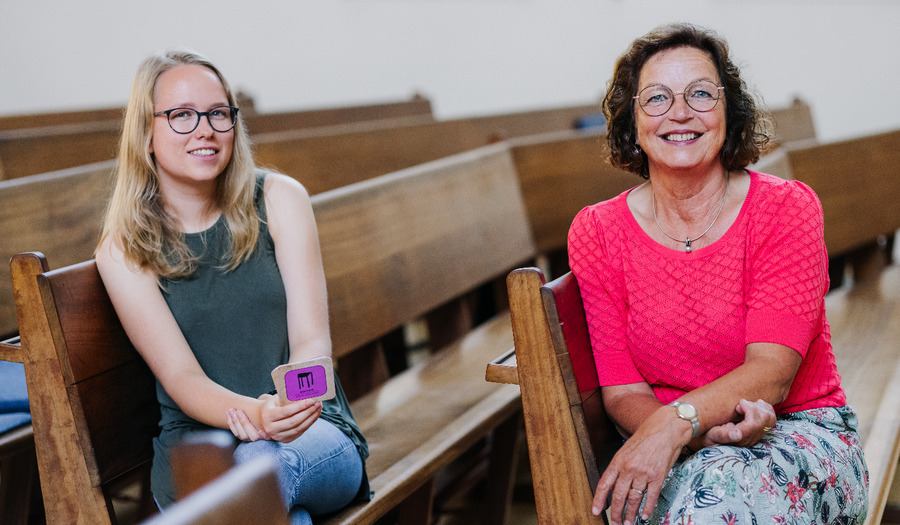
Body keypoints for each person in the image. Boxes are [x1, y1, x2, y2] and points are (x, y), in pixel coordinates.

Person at [568, 23, 868, 524]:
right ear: (632, 122)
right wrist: (689, 433)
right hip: (676, 447)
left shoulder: (785, 209)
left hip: (797, 433)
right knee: (709, 494)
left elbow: (771, 374)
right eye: (657, 98)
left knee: (720, 501)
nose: (680, 112)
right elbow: (623, 392)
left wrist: (676, 421)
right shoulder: (597, 232)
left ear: (729, 112)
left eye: (701, 94)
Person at [96, 50, 369, 524]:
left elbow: (312, 342)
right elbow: (182, 378)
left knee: (264, 469)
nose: (205, 129)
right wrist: (253, 417)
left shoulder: (280, 199)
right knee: (269, 498)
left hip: (311, 430)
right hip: (199, 450)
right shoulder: (122, 251)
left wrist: (291, 407)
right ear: (146, 136)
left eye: (218, 113)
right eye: (181, 116)